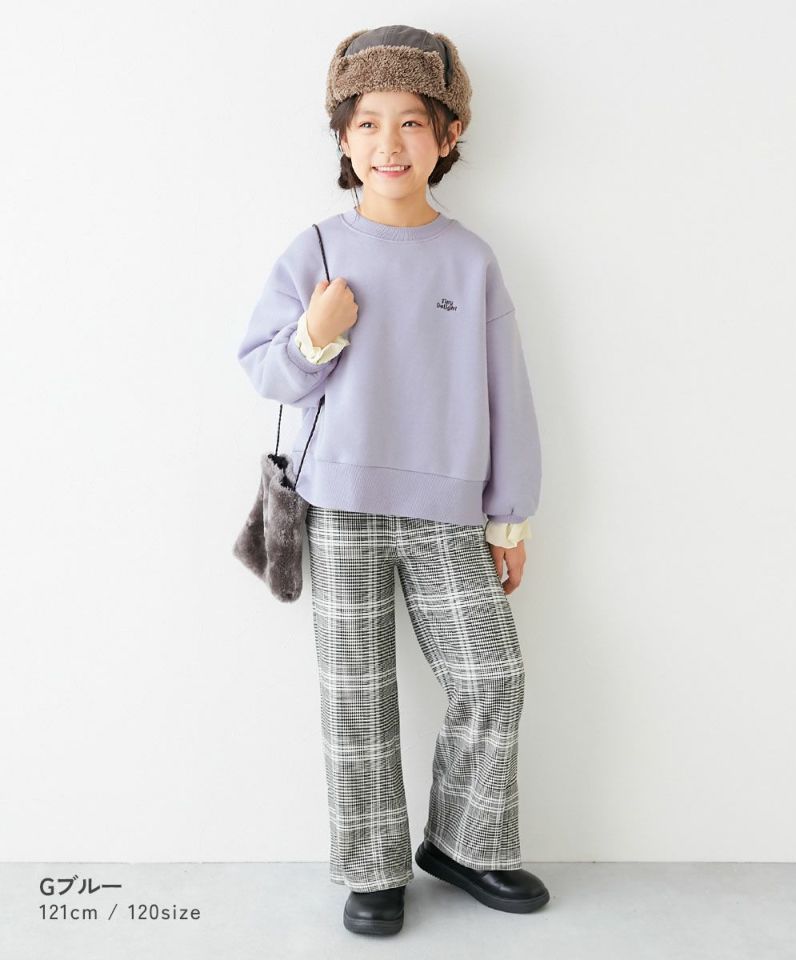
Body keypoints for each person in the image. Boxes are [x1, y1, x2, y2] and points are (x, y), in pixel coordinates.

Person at [237, 24, 549, 936]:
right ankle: (372, 871)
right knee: (357, 697)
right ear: (343, 136)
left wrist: (509, 518)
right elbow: (265, 371)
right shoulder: (317, 250)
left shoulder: (471, 259)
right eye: (368, 122)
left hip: (448, 514)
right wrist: (316, 333)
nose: (389, 143)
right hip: (337, 509)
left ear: (448, 135)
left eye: (412, 121)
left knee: (493, 677)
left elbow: (507, 394)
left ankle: (465, 845)